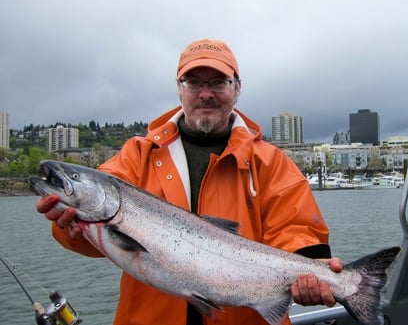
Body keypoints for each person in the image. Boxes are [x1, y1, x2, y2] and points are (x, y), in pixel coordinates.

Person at [35, 38, 342, 325]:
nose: (205, 93)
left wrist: (311, 273)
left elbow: (299, 230)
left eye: (218, 82)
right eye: (193, 82)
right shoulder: (137, 155)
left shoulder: (271, 163)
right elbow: (93, 236)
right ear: (179, 89)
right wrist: (69, 226)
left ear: (237, 88)